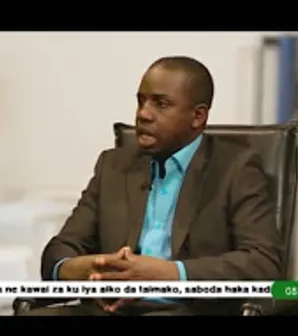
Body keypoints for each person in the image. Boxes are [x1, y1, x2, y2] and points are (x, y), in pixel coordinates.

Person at [18, 56, 284, 316]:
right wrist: (87, 271)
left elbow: (263, 262)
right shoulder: (113, 166)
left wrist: (171, 274)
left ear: (197, 116)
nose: (143, 114)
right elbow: (60, 250)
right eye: (141, 101)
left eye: (161, 104)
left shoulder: (236, 168)